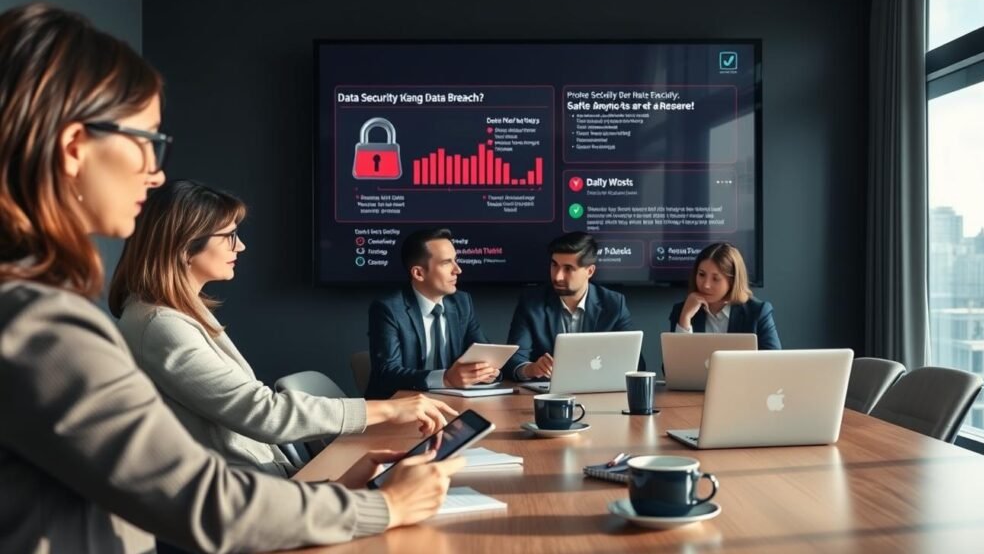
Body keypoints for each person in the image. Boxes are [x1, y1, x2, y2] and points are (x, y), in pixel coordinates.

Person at [0, 3, 462, 554]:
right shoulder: (42, 328)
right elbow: (200, 498)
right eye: (146, 139)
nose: (157, 169)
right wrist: (387, 505)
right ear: (76, 147)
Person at [109, 180, 459, 477]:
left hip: (265, 485)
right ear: (185, 246)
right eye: (230, 236)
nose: (241, 246)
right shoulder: (161, 326)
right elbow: (263, 414)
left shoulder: (180, 313)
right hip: (241, 501)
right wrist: (387, 409)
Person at [365, 228, 497, 399]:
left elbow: (483, 351)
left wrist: (488, 370)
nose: (457, 270)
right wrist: (446, 379)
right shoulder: (388, 308)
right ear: (418, 273)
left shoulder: (462, 302)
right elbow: (387, 373)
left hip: (451, 401)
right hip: (399, 406)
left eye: (455, 260)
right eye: (446, 263)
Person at [504, 232, 645, 381]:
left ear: (589, 271)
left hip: (600, 390)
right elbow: (513, 361)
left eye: (568, 268)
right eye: (554, 265)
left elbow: (636, 364)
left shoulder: (613, 304)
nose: (557, 276)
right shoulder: (531, 303)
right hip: (549, 395)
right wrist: (531, 369)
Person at [668, 242, 781, 349]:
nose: (706, 285)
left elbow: (774, 364)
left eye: (716, 279)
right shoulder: (682, 310)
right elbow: (671, 367)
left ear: (732, 281)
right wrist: (685, 318)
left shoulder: (758, 312)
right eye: (701, 274)